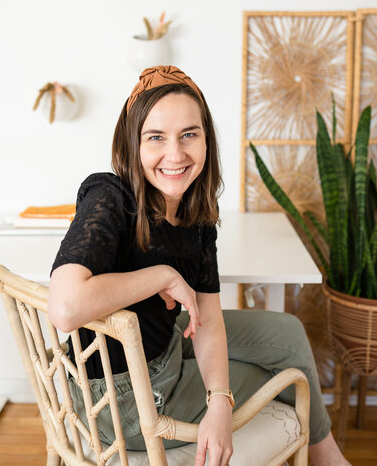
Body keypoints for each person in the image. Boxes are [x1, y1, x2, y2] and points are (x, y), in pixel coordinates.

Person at [48, 65, 351, 466]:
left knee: (288, 334)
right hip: (123, 399)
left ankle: (328, 458)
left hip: (164, 347)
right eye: (156, 137)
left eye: (189, 134)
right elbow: (65, 308)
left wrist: (219, 402)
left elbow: (207, 313)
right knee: (287, 382)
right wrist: (162, 275)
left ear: (207, 140)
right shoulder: (110, 195)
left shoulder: (197, 213)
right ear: (131, 144)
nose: (175, 154)